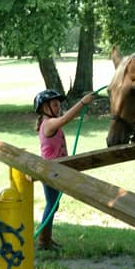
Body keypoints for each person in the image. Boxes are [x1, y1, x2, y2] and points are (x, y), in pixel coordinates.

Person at [34, 88, 95, 250]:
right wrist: (82, 103)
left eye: (58, 105)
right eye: (55, 105)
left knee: (53, 204)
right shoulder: (48, 124)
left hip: (57, 170)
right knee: (51, 204)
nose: (58, 107)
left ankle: (46, 239)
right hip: (50, 171)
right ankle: (43, 240)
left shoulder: (49, 123)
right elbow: (66, 118)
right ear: (45, 108)